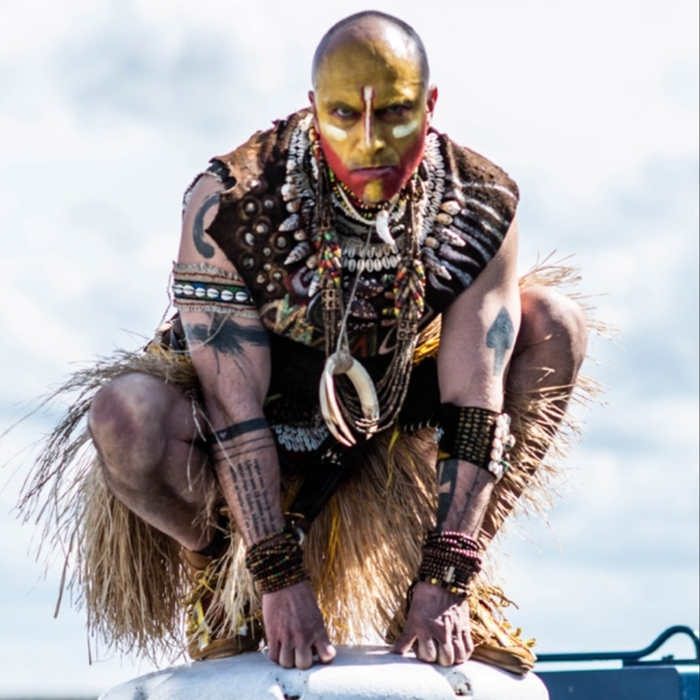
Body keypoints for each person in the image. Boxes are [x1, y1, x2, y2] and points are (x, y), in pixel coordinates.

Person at [20, 11, 590, 674]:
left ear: (430, 105)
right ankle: (221, 584)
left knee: (554, 322)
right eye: (345, 114)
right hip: (249, 424)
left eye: (395, 113)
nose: (370, 142)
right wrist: (276, 576)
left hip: (389, 418)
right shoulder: (229, 203)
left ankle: (455, 579)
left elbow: (475, 399)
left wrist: (448, 574)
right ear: (314, 108)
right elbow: (231, 406)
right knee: (126, 416)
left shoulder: (479, 203)